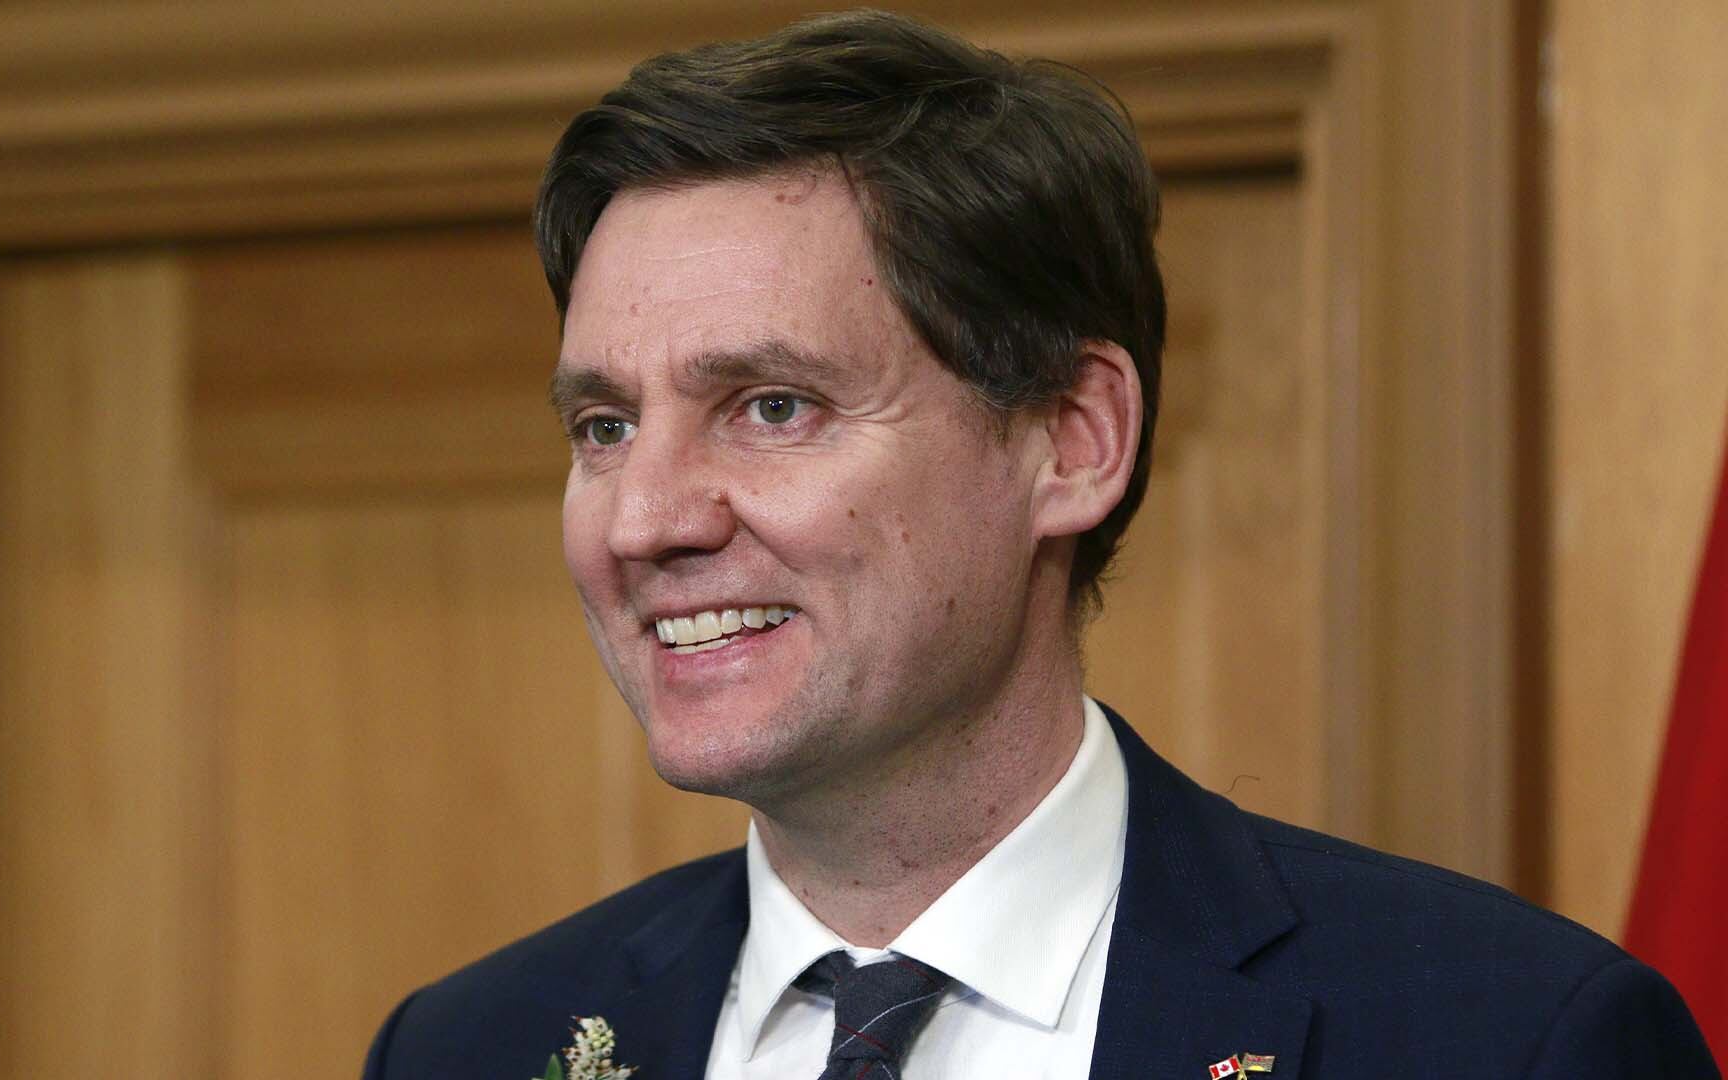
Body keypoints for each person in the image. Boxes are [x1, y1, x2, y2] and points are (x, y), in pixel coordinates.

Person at [365, 11, 1717, 1079]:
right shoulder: (466, 1049)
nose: (647, 520)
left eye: (772, 407)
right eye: (604, 427)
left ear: (1073, 440)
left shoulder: (1508, 1040)